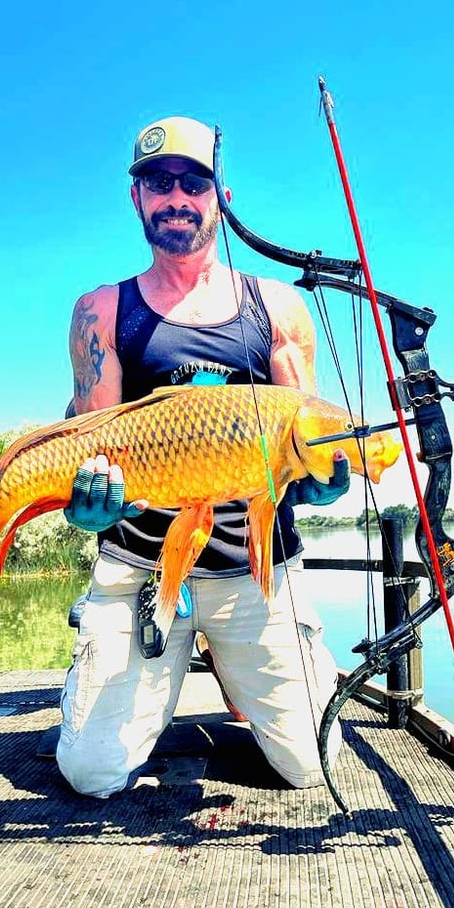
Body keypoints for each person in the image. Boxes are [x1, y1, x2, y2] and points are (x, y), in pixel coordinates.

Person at [57, 115, 351, 798]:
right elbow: (92, 443)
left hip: (257, 570)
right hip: (141, 569)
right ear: (137, 199)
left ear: (220, 195)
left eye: (194, 182)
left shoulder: (277, 307)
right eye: (158, 183)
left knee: (315, 767)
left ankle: (242, 665)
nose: (176, 198)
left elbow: (306, 429)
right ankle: (103, 679)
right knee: (93, 776)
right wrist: (89, 510)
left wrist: (318, 481)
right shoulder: (100, 312)